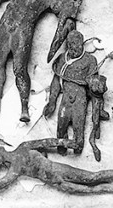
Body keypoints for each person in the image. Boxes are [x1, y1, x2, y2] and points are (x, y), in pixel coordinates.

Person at [0, 138, 113, 204]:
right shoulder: (19, 156)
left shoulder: (16, 167)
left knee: (90, 182)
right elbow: (47, 142)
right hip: (57, 179)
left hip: (57, 175)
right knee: (90, 181)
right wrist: (66, 143)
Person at [43, 29, 100, 157]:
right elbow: (56, 81)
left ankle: (77, 147)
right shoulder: (62, 58)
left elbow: (94, 84)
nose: (73, 48)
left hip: (80, 98)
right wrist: (52, 102)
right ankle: (61, 147)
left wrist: (94, 85)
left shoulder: (90, 60)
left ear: (81, 44)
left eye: (76, 44)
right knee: (61, 125)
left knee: (78, 127)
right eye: (70, 44)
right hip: (65, 98)